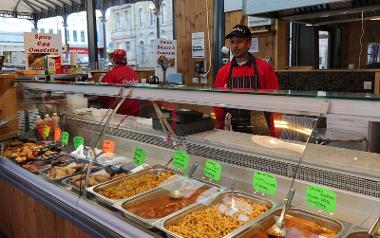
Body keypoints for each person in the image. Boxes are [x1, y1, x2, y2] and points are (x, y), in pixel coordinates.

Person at [214, 24, 279, 136]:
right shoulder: (223, 71)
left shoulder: (264, 68)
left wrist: (274, 132)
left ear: (249, 44)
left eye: (239, 41)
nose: (235, 46)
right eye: (232, 42)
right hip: (231, 130)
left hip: (260, 128)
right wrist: (219, 129)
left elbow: (276, 103)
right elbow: (217, 105)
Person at [101, 49, 141, 116]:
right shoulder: (134, 73)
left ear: (114, 60)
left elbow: (103, 94)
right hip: (134, 110)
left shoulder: (112, 74)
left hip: (118, 111)